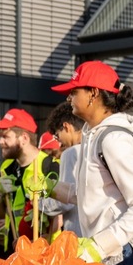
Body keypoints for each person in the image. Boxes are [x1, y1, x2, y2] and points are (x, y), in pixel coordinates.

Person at [51, 61, 133, 265]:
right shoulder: (93, 136)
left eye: (73, 91)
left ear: (93, 93)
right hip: (114, 252)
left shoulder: (114, 139)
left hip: (131, 253)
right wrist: (52, 188)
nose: (68, 98)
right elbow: (89, 194)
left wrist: (101, 244)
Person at [0, 107, 58, 251]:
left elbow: (57, 215)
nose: (0, 142)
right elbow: (1, 215)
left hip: (43, 251)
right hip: (13, 248)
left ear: (24, 138)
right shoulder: (6, 167)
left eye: (6, 137)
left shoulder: (49, 166)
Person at [39, 101, 85, 236]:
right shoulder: (96, 148)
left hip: (79, 235)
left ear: (66, 127)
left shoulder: (71, 153)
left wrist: (39, 203)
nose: (59, 143)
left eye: (57, 136)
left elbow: (66, 201)